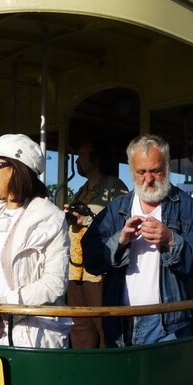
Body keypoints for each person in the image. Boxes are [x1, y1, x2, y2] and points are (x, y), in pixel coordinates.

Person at [82, 135, 193, 347]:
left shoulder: (187, 207)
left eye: (156, 171)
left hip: (169, 326)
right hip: (120, 324)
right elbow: (90, 259)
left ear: (167, 167)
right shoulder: (116, 210)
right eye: (141, 172)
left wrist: (171, 240)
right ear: (131, 171)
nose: (148, 179)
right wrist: (120, 240)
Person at [0, 134, 72, 348]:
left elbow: (55, 282)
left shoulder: (49, 217)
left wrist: (2, 308)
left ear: (16, 168)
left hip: (29, 336)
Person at [65, 141, 128, 348]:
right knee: (79, 325)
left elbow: (121, 220)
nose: (77, 161)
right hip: (76, 269)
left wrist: (87, 219)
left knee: (103, 324)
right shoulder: (82, 190)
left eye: (82, 155)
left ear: (96, 159)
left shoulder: (115, 186)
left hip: (98, 270)